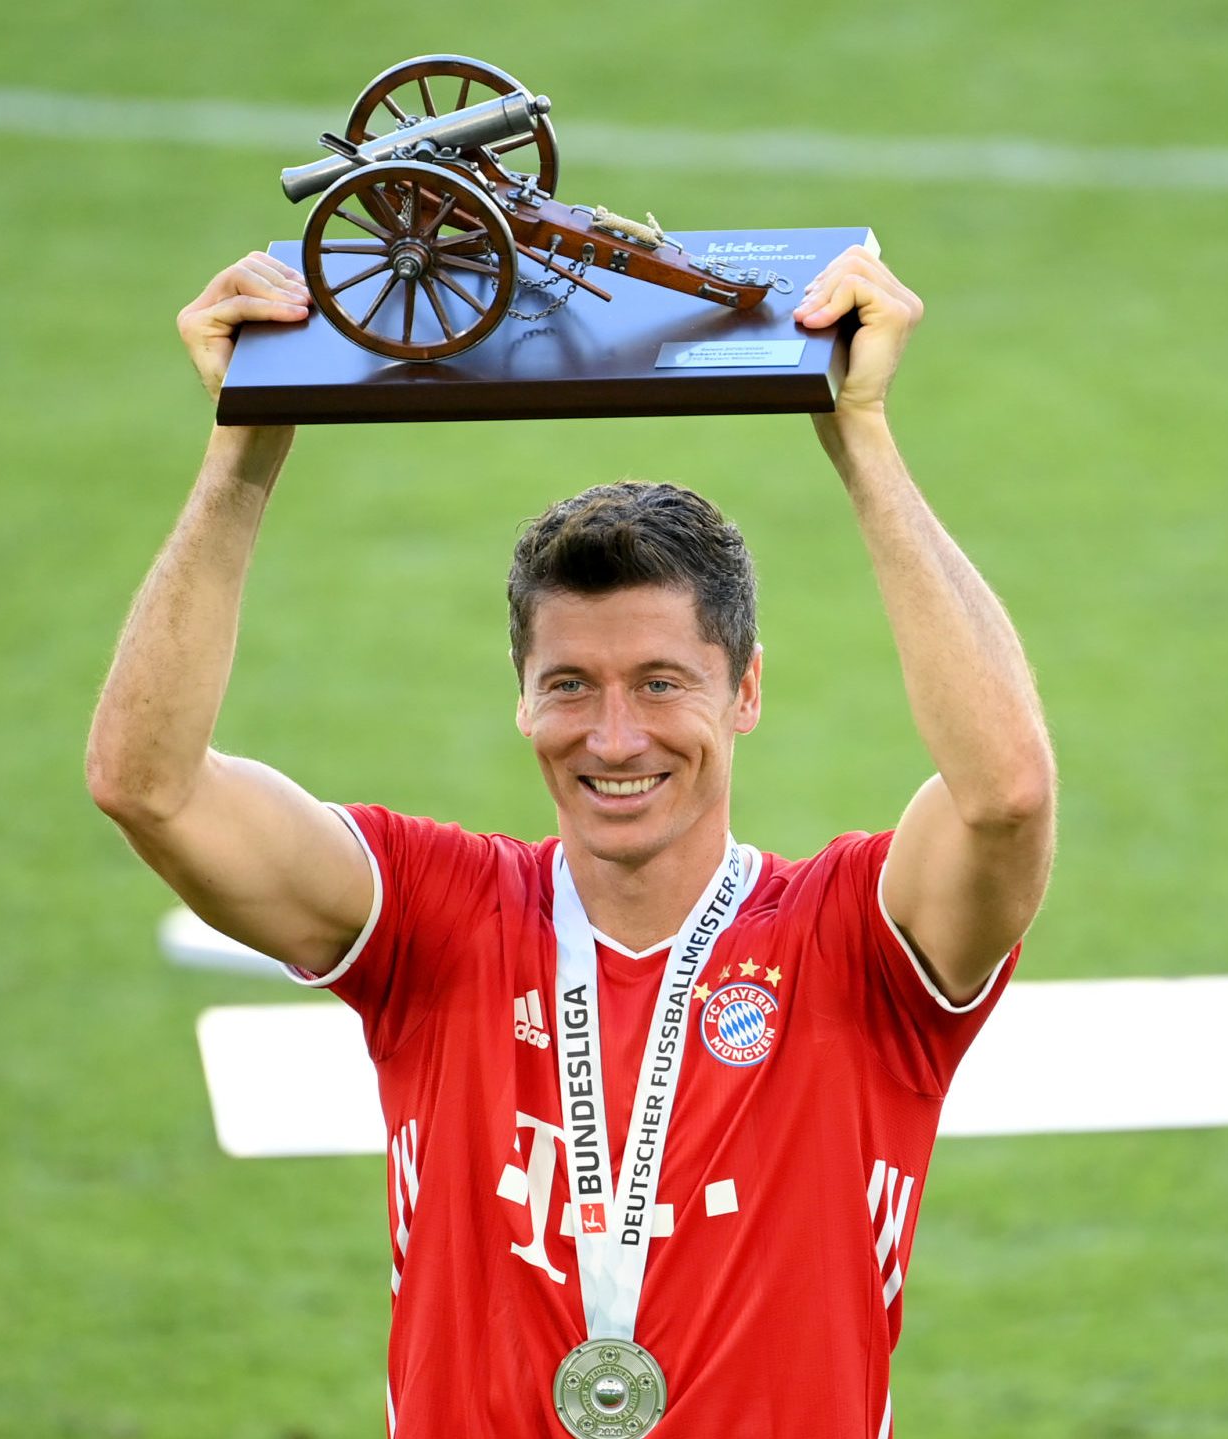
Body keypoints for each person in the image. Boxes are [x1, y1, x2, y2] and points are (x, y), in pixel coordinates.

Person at [87, 243, 1055, 1437]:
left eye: (660, 682)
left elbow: (1006, 795)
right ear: (520, 698)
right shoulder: (433, 916)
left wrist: (859, 437)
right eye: (568, 685)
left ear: (746, 689)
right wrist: (243, 449)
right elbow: (149, 786)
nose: (612, 735)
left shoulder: (852, 938)